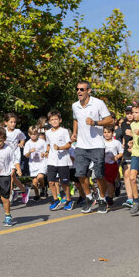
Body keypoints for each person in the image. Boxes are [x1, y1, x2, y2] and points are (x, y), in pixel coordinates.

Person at [71, 81, 114, 214]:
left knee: (99, 175)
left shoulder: (98, 103)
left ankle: (102, 198)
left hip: (97, 145)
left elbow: (110, 120)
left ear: (89, 91)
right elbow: (76, 119)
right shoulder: (75, 106)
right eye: (77, 89)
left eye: (82, 89)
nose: (79, 92)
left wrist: (95, 122)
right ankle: (89, 197)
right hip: (81, 145)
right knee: (80, 174)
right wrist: (74, 132)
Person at [45, 110, 73, 211]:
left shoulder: (64, 131)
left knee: (64, 183)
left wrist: (60, 148)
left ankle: (69, 200)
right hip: (52, 161)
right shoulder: (47, 132)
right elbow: (48, 144)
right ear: (49, 122)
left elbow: (69, 144)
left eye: (56, 119)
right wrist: (46, 152)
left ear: (60, 120)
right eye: (52, 120)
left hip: (63, 161)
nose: (54, 121)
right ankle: (56, 199)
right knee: (51, 182)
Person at [4, 113, 30, 203]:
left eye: (15, 122)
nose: (13, 124)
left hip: (15, 155)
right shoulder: (2, 131)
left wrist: (21, 143)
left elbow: (23, 138)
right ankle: (24, 190)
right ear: (5, 122)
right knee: (13, 178)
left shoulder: (17, 131)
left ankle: (8, 196)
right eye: (11, 122)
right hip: (5, 156)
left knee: (11, 175)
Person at [24, 126, 49, 201]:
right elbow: (26, 155)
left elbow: (46, 151)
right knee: (34, 181)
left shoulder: (42, 142)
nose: (33, 136)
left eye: (35, 134)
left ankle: (43, 187)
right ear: (29, 134)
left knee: (40, 177)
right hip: (33, 164)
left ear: (37, 134)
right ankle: (37, 195)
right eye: (32, 134)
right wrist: (30, 152)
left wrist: (44, 154)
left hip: (42, 163)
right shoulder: (28, 143)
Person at [102, 125, 124, 207]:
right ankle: (116, 186)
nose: (106, 134)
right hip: (103, 164)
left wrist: (116, 157)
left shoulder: (116, 142)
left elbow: (121, 152)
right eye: (105, 132)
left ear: (113, 133)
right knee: (104, 182)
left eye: (108, 132)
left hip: (112, 164)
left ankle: (109, 198)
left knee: (109, 182)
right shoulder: (101, 142)